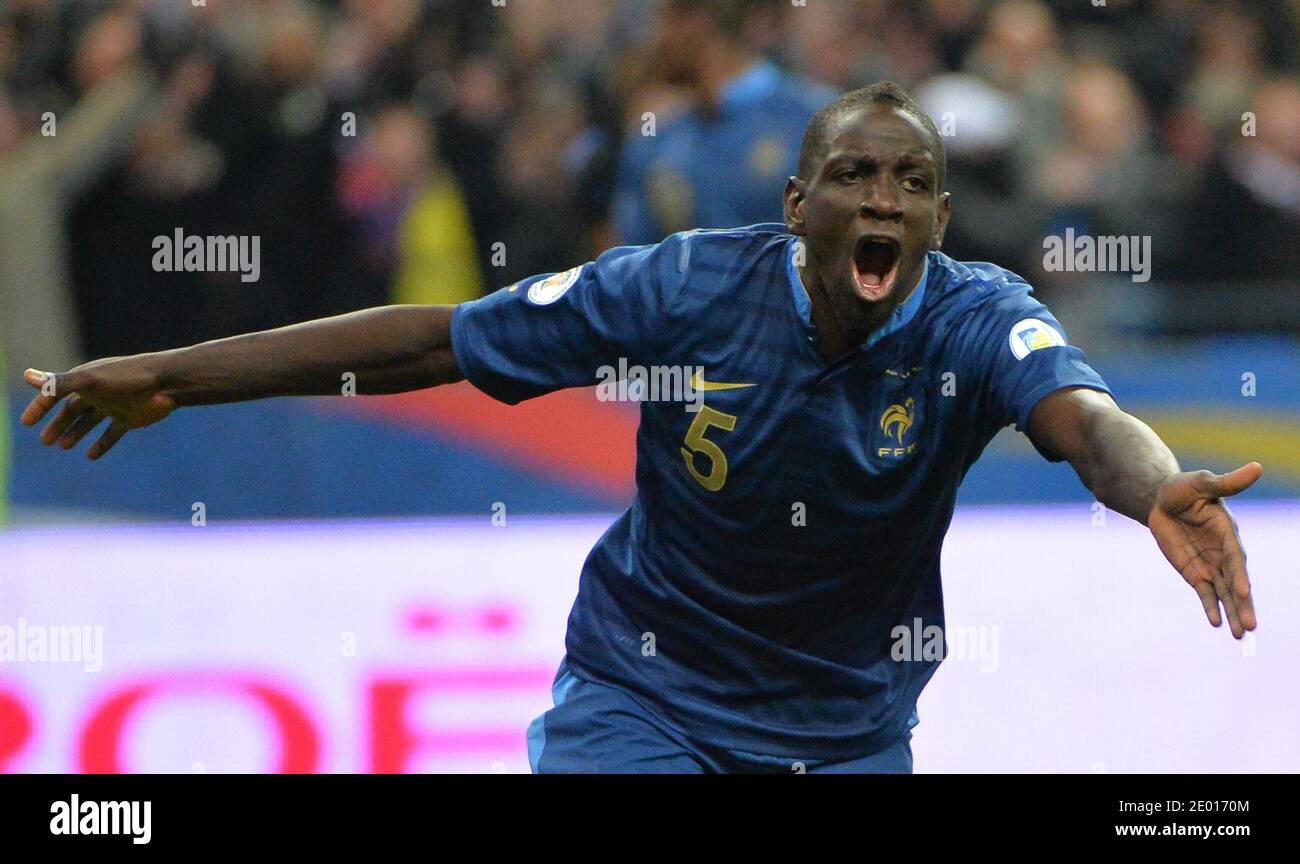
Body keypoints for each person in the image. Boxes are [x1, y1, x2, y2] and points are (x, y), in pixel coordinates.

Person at [19, 83, 1260, 774]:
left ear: (938, 215)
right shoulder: (678, 291)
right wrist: (177, 374)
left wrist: (1152, 489)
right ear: (797, 204)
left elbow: (1089, 421)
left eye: (912, 186)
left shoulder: (975, 320)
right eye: (855, 178)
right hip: (646, 698)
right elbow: (428, 341)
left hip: (847, 733)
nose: (883, 201)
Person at [612, 0, 834, 245]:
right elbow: (636, 265)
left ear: (696, 22)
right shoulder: (655, 143)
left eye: (664, 21)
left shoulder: (815, 122)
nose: (656, 40)